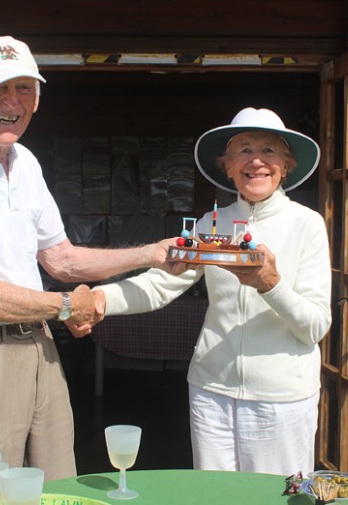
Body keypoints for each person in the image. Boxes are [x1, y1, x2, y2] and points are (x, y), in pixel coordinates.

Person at [0, 35, 172, 505]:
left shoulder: (25, 162)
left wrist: (152, 253)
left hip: (38, 349)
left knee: (56, 490)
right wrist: (68, 305)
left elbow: (60, 259)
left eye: (24, 88)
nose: (12, 101)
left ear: (38, 99)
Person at [71, 107, 332, 476]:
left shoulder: (307, 225)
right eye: (243, 150)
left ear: (286, 165)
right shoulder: (212, 224)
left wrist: (269, 284)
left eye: (268, 150)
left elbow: (315, 326)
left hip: (281, 400)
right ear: (227, 166)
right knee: (214, 497)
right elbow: (161, 283)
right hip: (211, 393)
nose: (256, 161)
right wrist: (101, 299)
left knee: (276, 499)